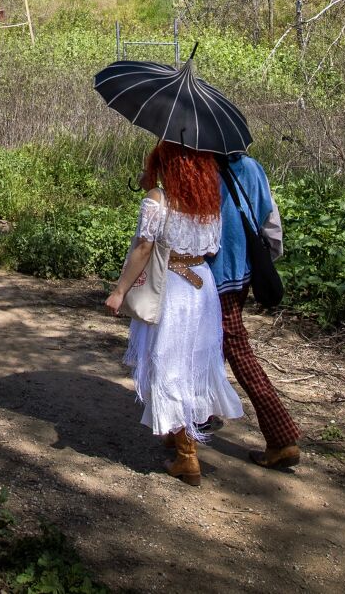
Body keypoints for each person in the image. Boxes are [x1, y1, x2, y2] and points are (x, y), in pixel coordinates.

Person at [104, 140, 244, 485]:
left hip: (173, 288)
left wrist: (120, 290)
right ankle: (175, 431)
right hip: (202, 287)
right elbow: (212, 248)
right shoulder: (208, 203)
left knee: (169, 362)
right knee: (195, 362)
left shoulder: (158, 200)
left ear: (164, 164)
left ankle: (186, 455)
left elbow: (143, 248)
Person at [210, 152, 302, 468]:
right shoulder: (250, 167)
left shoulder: (202, 170)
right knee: (212, 342)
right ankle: (202, 411)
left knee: (235, 346)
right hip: (243, 271)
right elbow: (269, 219)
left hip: (212, 273)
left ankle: (281, 436)